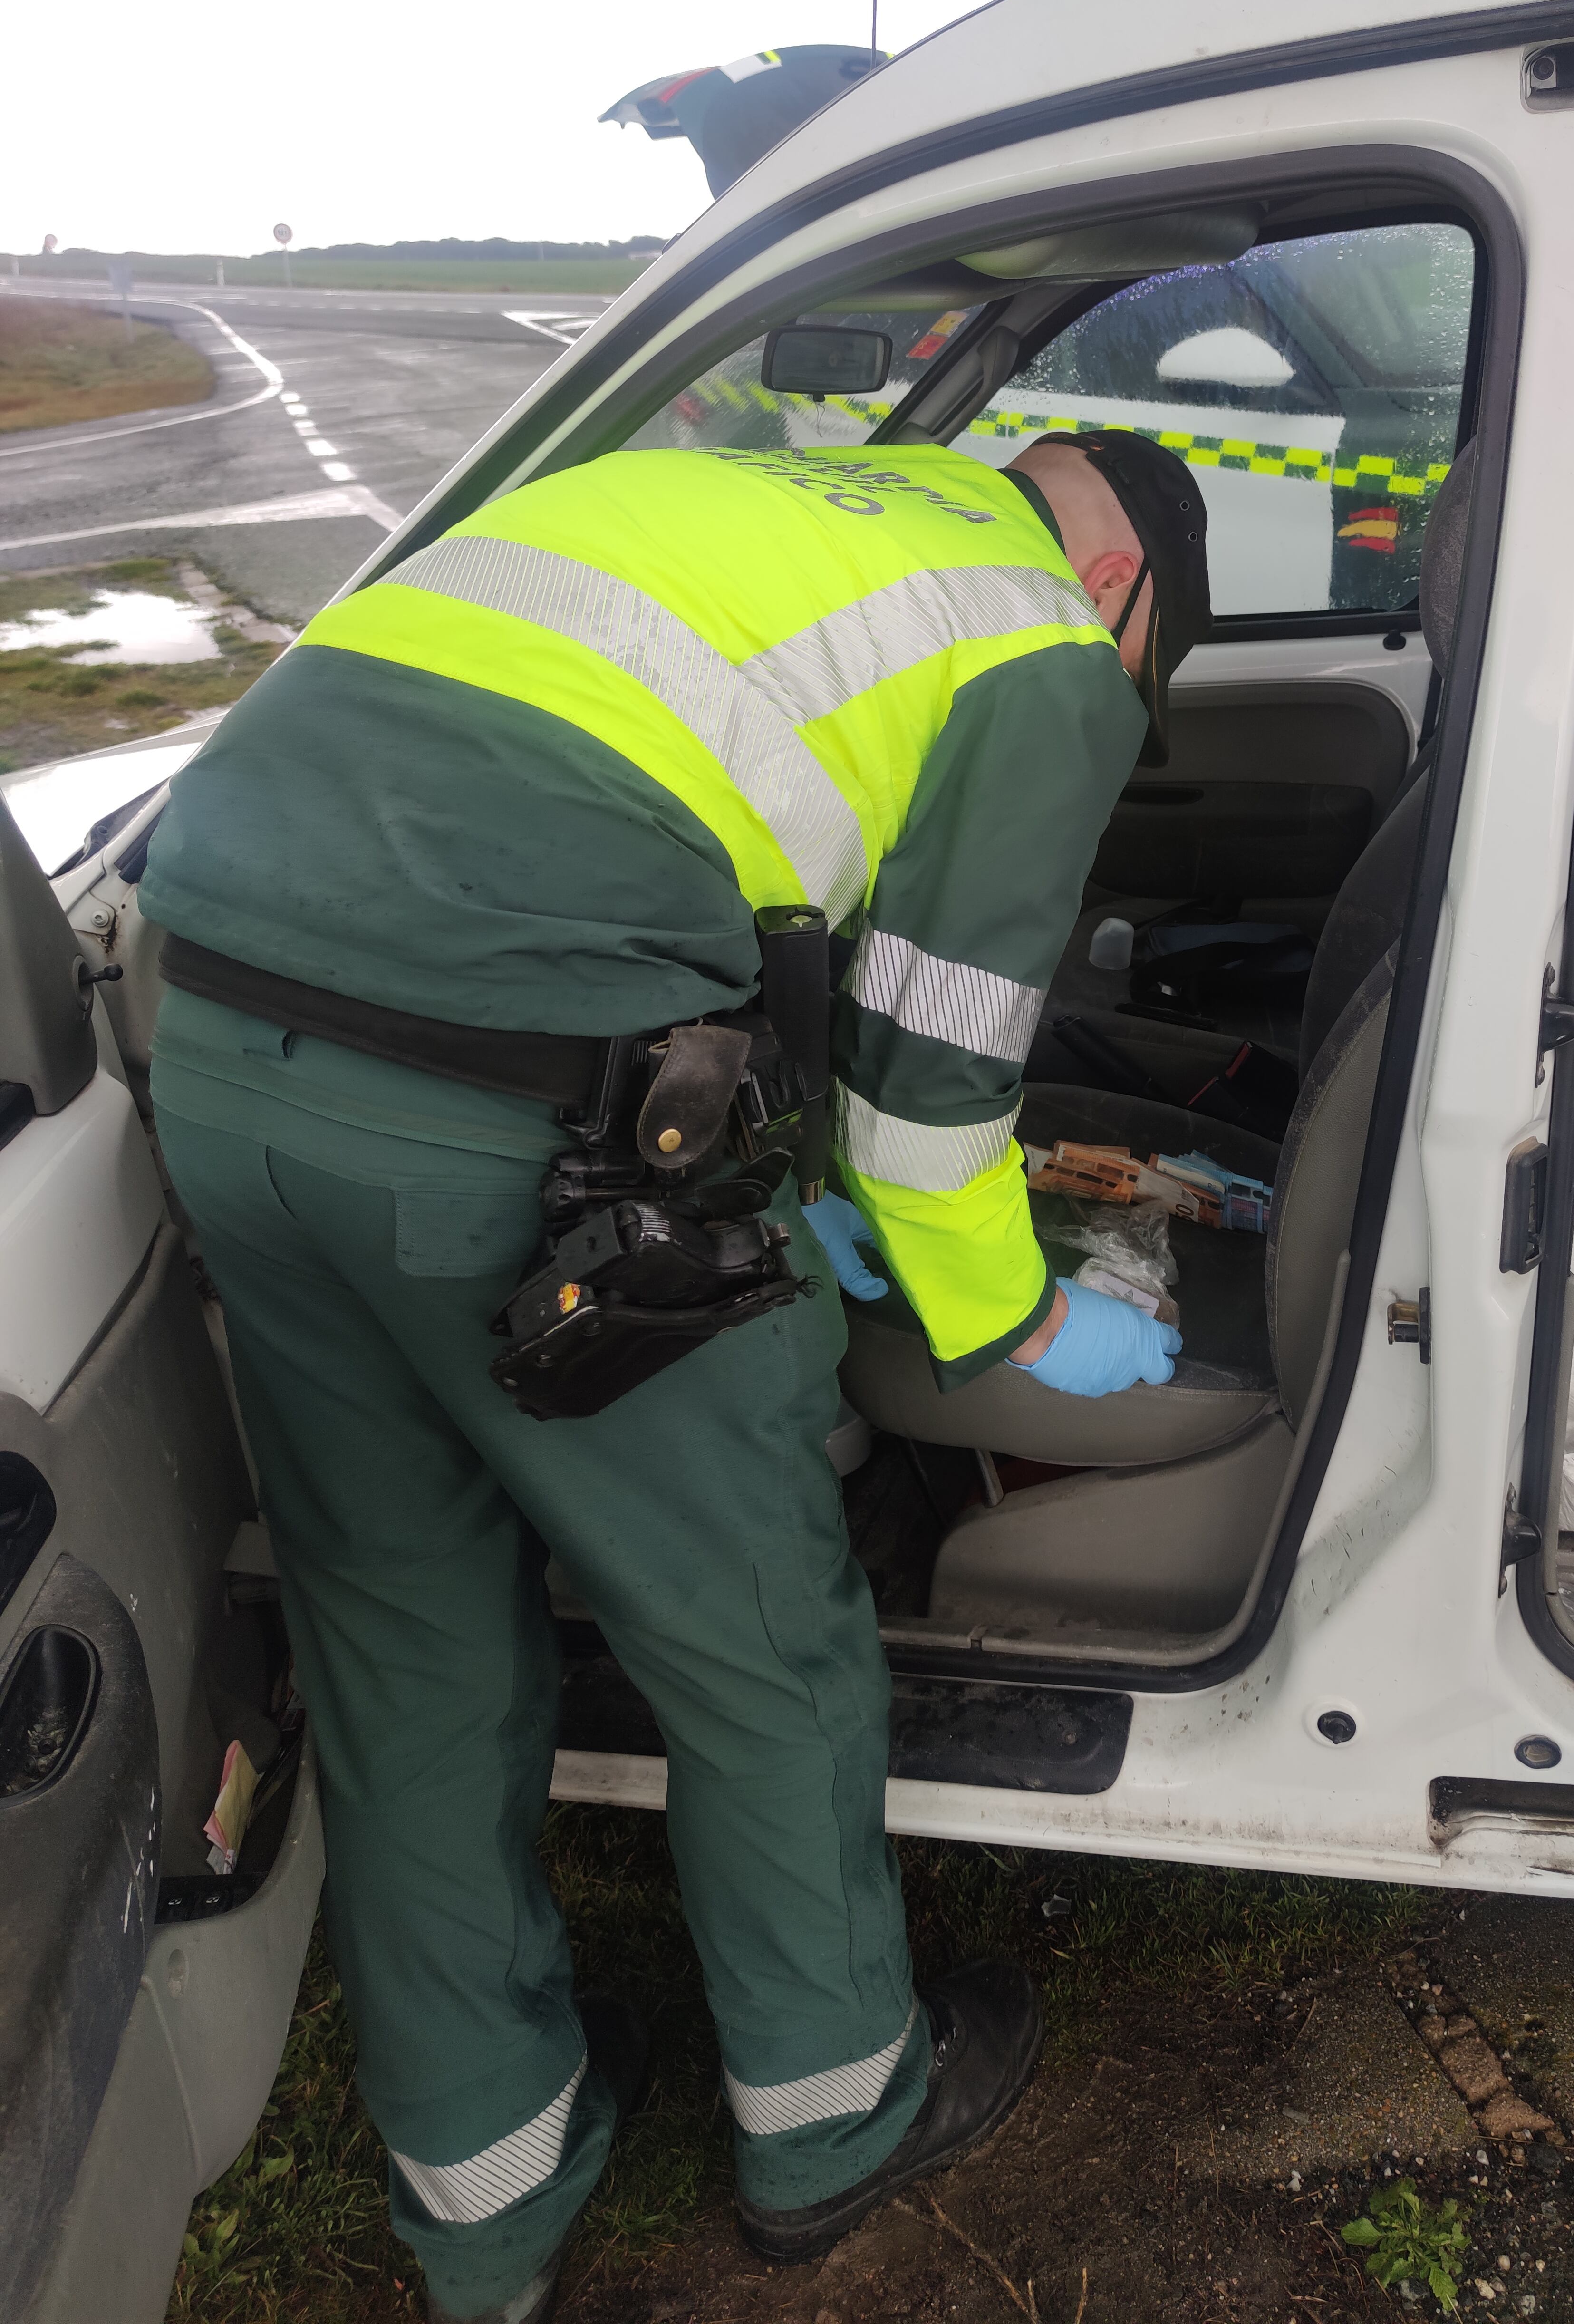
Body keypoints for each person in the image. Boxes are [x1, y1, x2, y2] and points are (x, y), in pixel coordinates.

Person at [138, 421, 1210, 2322]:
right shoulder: (1039, 642)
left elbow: (692, 871)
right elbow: (929, 1090)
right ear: (1124, 592)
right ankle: (835, 2111)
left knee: (402, 1636)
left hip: (221, 1043)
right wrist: (1023, 1319)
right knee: (760, 1643)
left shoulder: (734, 506)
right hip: (514, 1128)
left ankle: (486, 2180)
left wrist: (802, 1180)